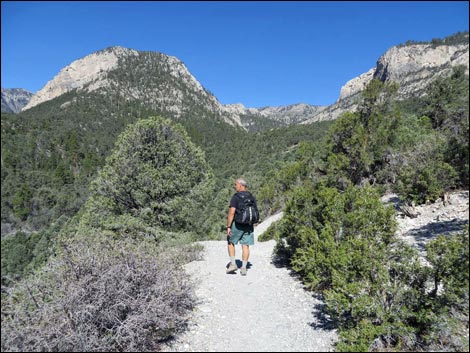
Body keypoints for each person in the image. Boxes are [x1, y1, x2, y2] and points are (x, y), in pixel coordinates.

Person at [226, 177, 256, 276]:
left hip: (238, 224)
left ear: (241, 185)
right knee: (245, 246)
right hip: (249, 225)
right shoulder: (251, 196)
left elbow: (231, 212)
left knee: (230, 242)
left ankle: (233, 264)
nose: (235, 187)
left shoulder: (236, 197)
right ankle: (243, 268)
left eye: (236, 185)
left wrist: (228, 226)